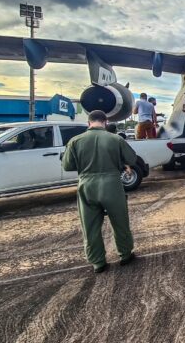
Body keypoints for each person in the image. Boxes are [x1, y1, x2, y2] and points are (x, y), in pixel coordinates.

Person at [62, 110, 138, 273]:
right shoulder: (115, 139)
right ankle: (125, 255)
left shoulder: (75, 141)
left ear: (89, 123)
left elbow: (67, 166)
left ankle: (98, 262)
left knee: (90, 227)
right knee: (120, 222)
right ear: (105, 122)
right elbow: (131, 158)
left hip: (87, 184)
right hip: (112, 184)